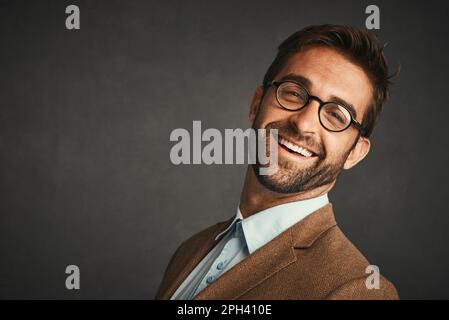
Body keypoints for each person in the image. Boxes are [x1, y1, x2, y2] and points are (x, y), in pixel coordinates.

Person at [156, 24, 399, 300]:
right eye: (294, 93)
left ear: (355, 152)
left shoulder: (360, 291)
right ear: (256, 103)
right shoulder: (190, 250)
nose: (303, 123)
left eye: (336, 115)